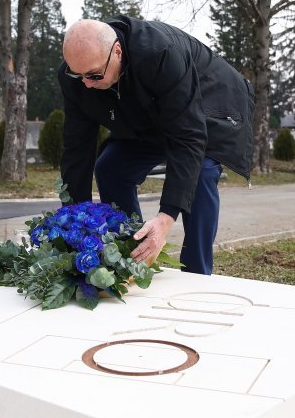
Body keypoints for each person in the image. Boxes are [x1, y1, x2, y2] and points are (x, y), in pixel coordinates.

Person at [59, 16, 255, 275]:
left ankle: (197, 272)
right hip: (148, 113)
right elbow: (77, 148)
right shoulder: (80, 75)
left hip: (209, 103)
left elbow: (187, 136)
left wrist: (165, 218)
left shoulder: (161, 53)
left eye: (94, 75)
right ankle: (132, 253)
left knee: (201, 173)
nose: (86, 83)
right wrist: (75, 220)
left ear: (117, 51)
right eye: (78, 74)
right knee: (110, 168)